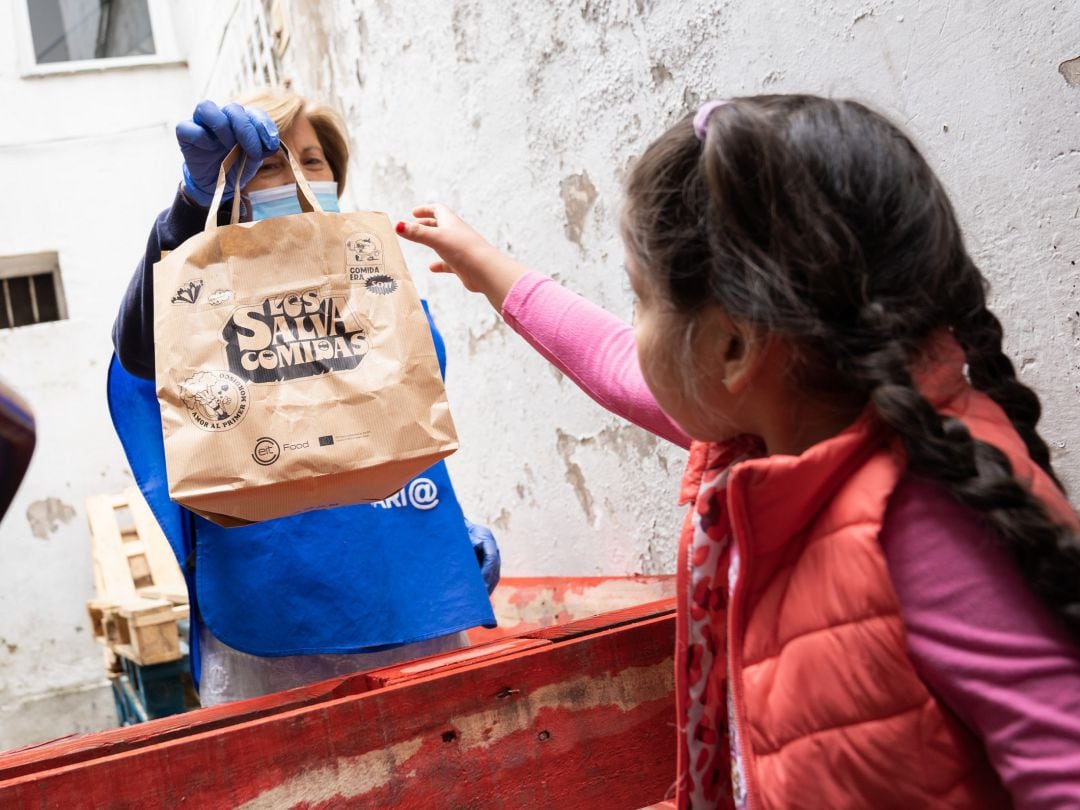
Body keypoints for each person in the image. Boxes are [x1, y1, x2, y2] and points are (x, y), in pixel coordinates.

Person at [398, 95, 1080, 808]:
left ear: (732, 347)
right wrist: (485, 267)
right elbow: (611, 364)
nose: (633, 331)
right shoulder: (768, 435)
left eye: (640, 299)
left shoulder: (925, 522)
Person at [110, 88, 500, 705]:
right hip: (269, 618)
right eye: (267, 164)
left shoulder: (381, 293)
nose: (295, 174)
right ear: (229, 187)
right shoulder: (202, 298)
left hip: (405, 594)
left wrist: (448, 529)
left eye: (312, 160)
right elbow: (138, 349)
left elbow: (405, 431)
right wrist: (188, 208)